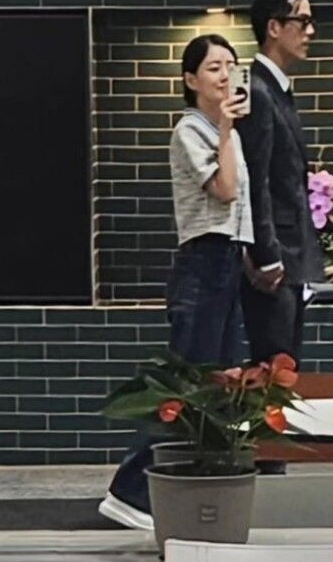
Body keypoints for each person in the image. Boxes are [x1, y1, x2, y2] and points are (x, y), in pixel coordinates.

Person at [98, 33, 253, 530]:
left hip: (228, 259)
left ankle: (193, 493)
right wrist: (225, 129)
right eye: (213, 67)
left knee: (221, 382)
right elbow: (225, 191)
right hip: (204, 261)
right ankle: (128, 491)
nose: (225, 75)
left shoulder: (227, 133)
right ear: (190, 79)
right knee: (185, 385)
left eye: (230, 64)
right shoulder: (191, 131)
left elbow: (240, 210)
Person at [237, 0, 323, 368]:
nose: (310, 31)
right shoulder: (257, 90)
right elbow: (255, 180)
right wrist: (266, 256)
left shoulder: (276, 88)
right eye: (302, 21)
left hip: (289, 258)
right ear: (274, 27)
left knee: (284, 370)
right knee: (274, 371)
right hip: (276, 262)